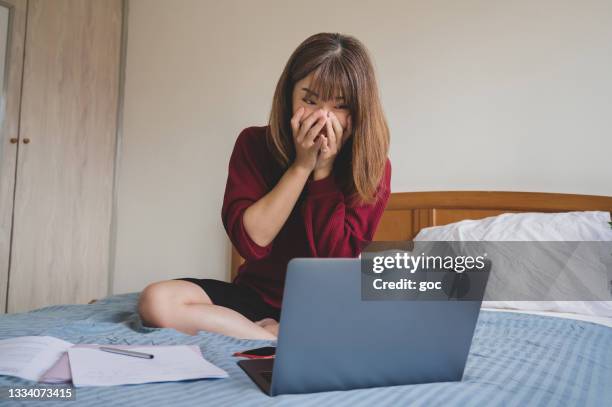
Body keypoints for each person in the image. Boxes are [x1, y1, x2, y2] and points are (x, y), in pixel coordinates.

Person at [137, 32, 392, 339]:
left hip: (326, 305)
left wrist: (323, 171)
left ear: (358, 110)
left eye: (339, 106)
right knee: (157, 301)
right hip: (256, 297)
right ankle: (272, 337)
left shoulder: (371, 167)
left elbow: (336, 263)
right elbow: (251, 242)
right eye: (310, 100)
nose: (323, 116)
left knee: (397, 312)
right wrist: (302, 166)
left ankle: (277, 332)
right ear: (289, 96)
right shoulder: (254, 144)